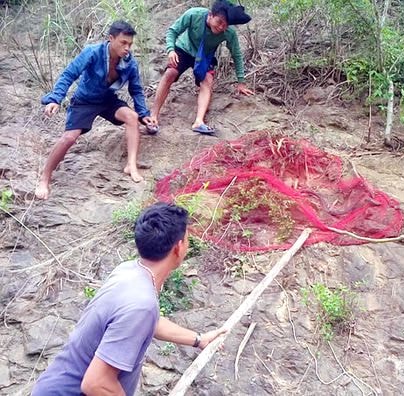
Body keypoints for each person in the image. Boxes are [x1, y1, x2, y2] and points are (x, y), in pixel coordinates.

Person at [32, 203, 226, 395]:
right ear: (178, 247)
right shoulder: (141, 304)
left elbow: (150, 322)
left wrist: (198, 340)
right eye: (187, 238)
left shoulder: (128, 271)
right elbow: (96, 384)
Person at [35, 20, 159, 200]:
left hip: (107, 100)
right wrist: (55, 99)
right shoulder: (92, 52)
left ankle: (131, 165)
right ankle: (45, 178)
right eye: (123, 43)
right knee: (69, 137)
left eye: (130, 44)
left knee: (131, 117)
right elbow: (69, 74)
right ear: (111, 39)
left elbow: (136, 90)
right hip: (84, 101)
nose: (127, 48)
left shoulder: (130, 63)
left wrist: (144, 115)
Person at [149, 0, 254, 134]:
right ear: (210, 15)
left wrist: (241, 82)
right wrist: (171, 50)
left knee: (208, 81)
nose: (222, 27)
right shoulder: (194, 14)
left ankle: (199, 121)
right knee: (170, 73)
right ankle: (153, 116)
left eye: (225, 25)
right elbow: (172, 31)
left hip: (205, 55)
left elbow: (237, 55)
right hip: (184, 49)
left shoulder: (229, 33)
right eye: (219, 22)